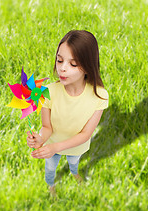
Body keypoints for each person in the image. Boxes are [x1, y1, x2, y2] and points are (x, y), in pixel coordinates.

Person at [27, 30, 109, 197]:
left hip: (75, 146)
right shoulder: (48, 91)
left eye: (73, 64)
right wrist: (40, 138)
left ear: (88, 65)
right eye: (59, 60)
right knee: (50, 169)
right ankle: (51, 186)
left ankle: (74, 172)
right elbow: (46, 126)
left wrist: (55, 147)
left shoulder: (99, 96)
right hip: (51, 146)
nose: (62, 69)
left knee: (74, 162)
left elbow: (86, 134)